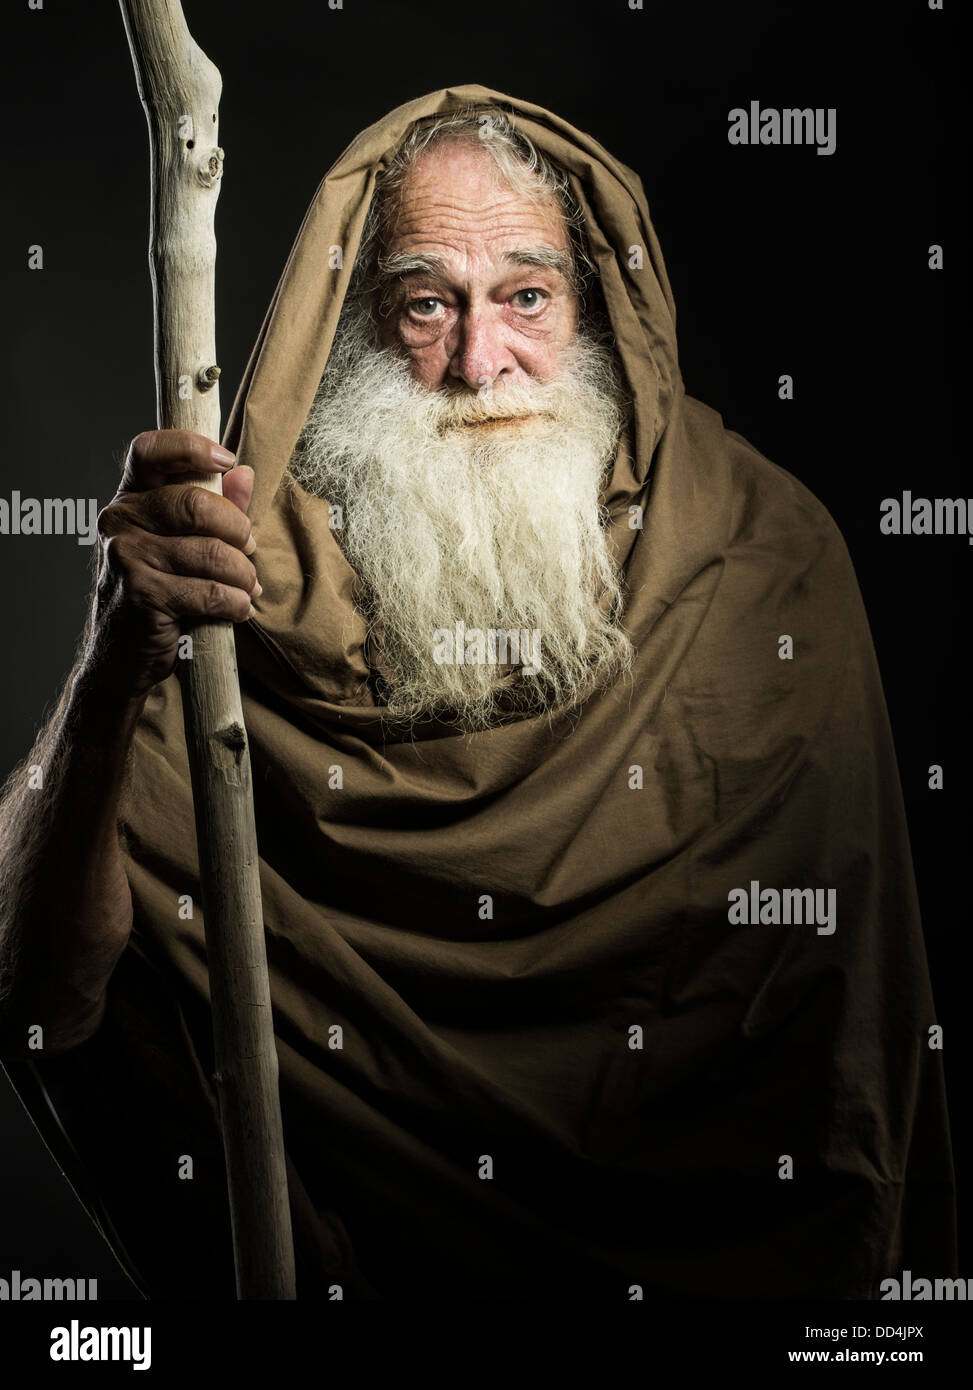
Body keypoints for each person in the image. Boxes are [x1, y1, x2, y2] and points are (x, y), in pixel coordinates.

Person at [0, 85, 956, 1300]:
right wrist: (114, 657)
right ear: (353, 326)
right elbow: (39, 986)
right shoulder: (232, 587)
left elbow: (839, 1051)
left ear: (597, 305)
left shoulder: (759, 558)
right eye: (423, 304)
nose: (476, 362)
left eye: (524, 297)